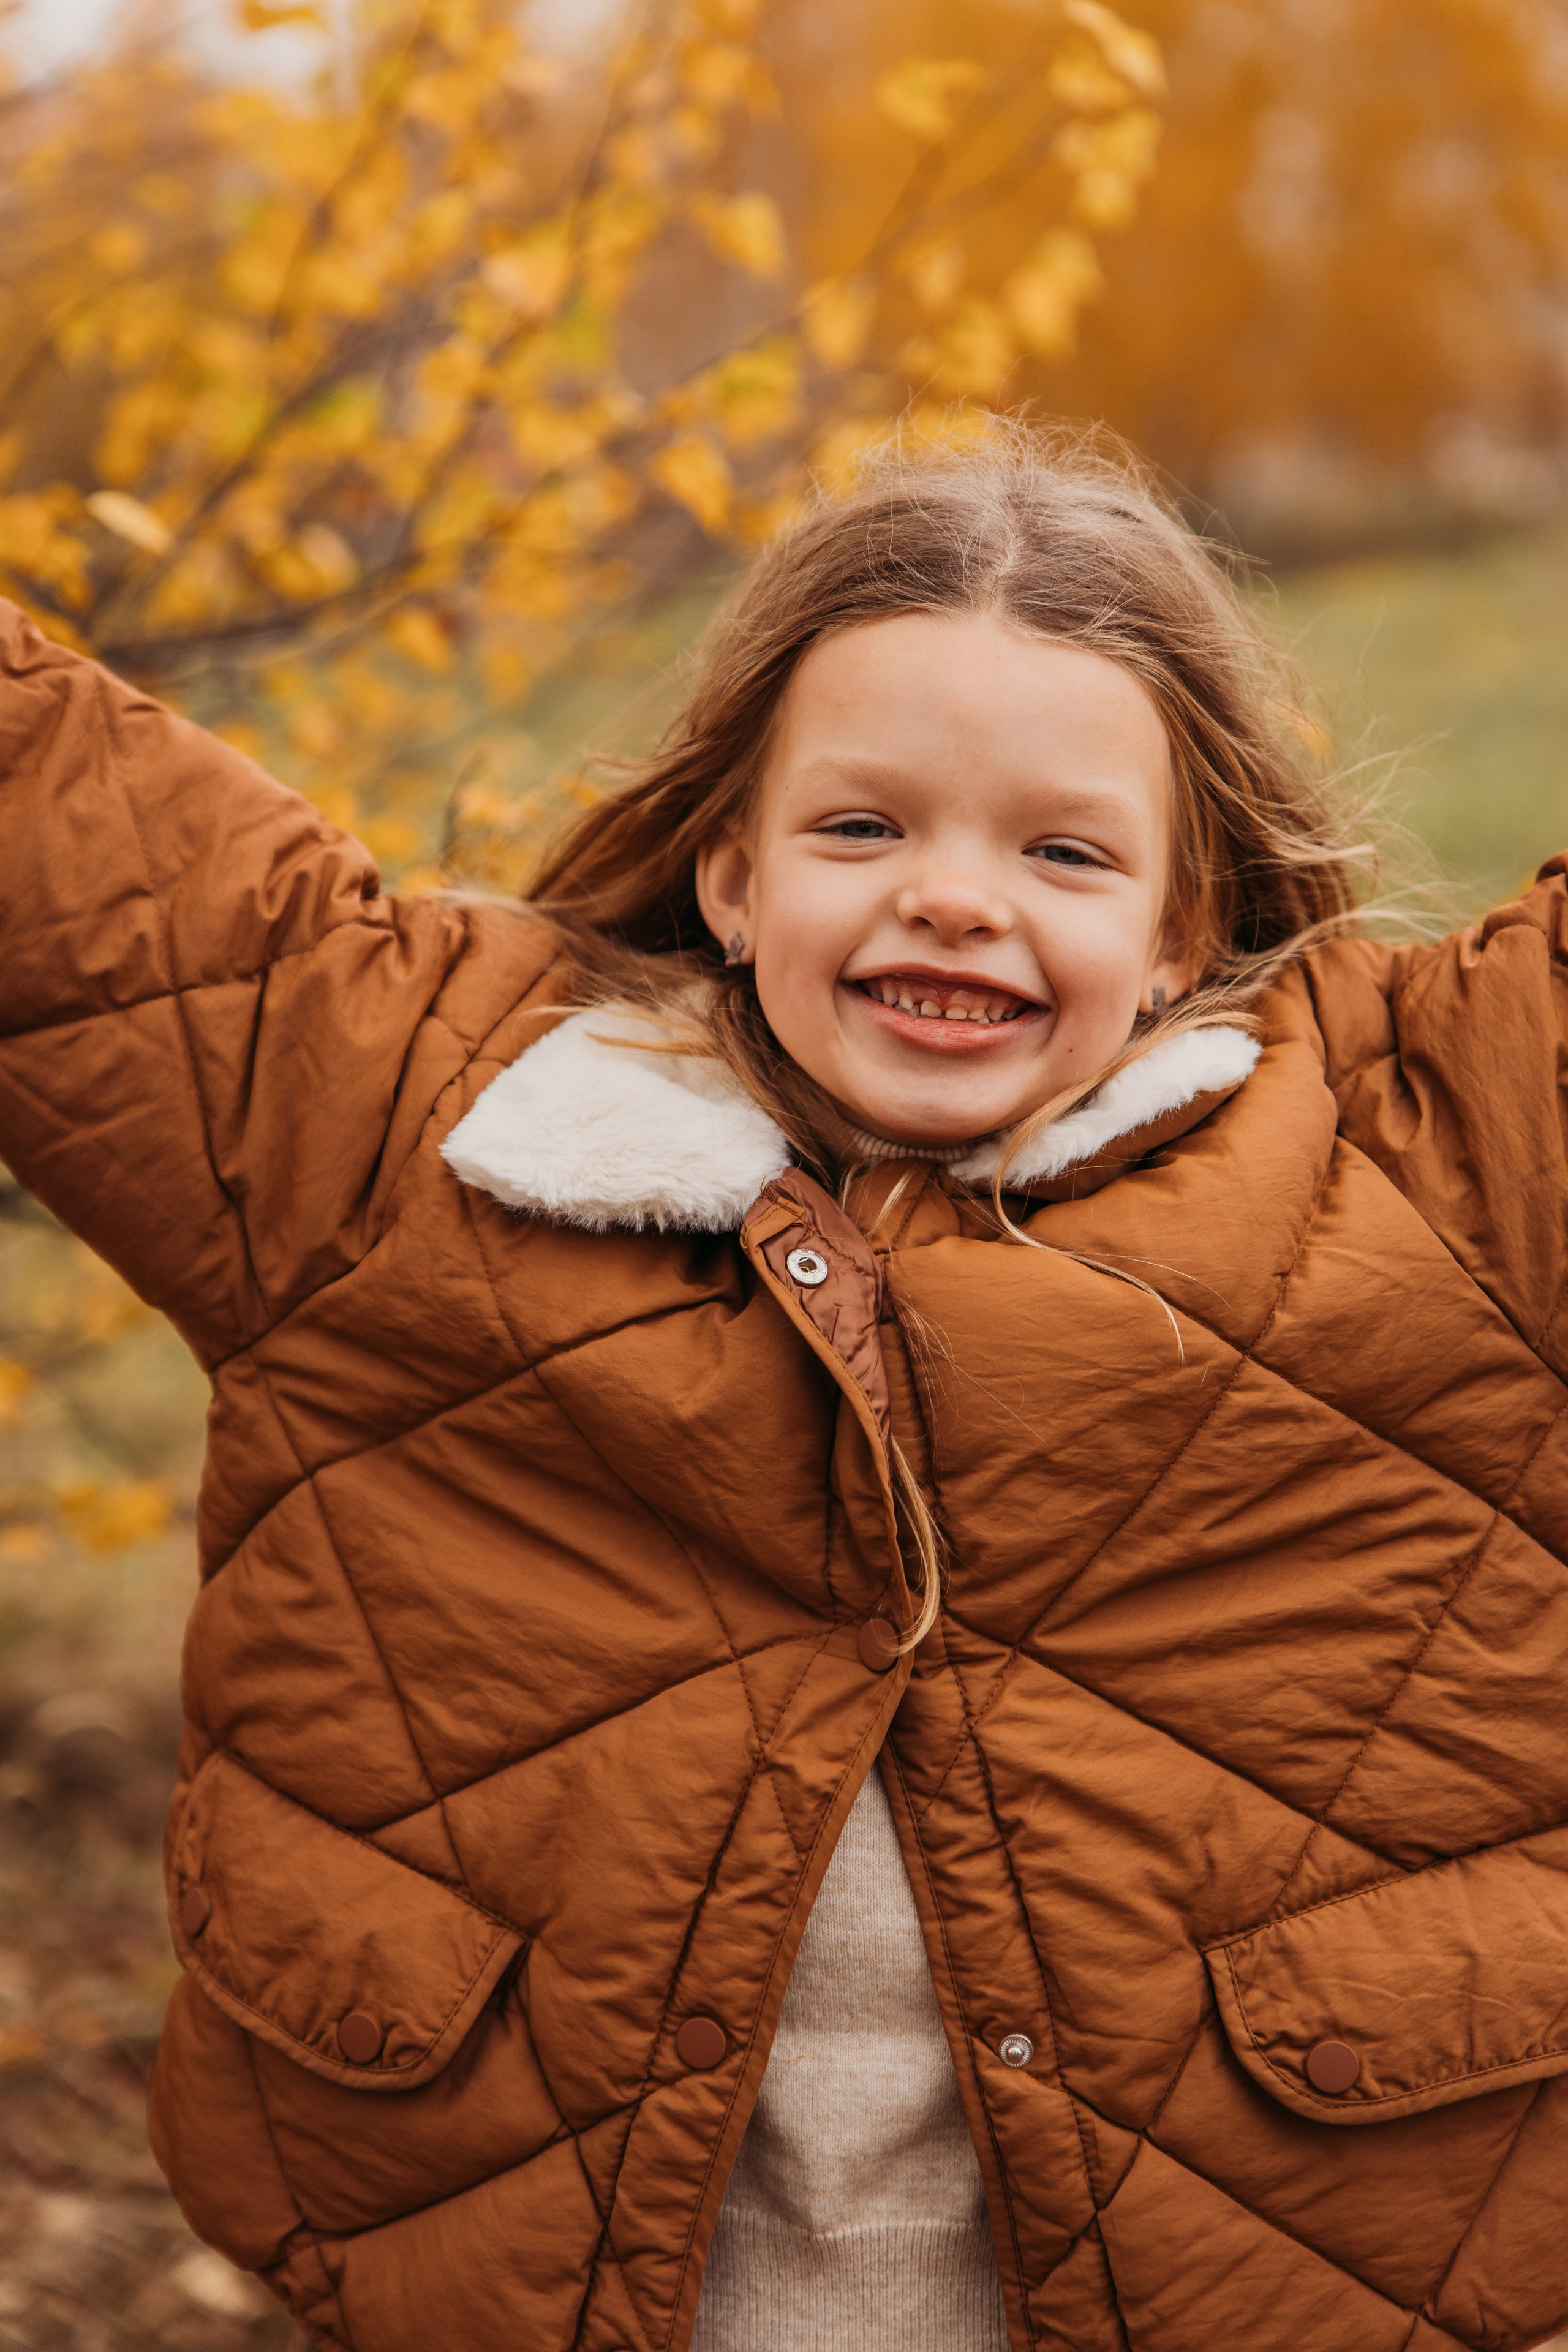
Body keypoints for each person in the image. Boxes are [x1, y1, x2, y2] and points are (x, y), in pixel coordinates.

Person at [1, 426, 1565, 2352]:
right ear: (731, 874)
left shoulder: (1442, 1160)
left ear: (1184, 924)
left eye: (1064, 852)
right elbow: (65, 842)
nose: (956, 900)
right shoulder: (398, 1132)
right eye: (862, 830)